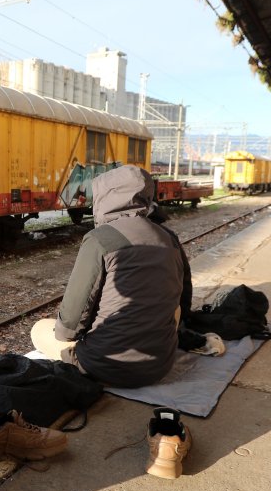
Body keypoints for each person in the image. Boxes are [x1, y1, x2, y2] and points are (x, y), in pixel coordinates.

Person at [31, 164, 222, 389]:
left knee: (40, 328)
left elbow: (70, 325)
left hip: (105, 367)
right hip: (161, 365)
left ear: (104, 197)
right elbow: (183, 300)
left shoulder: (99, 239)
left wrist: (71, 335)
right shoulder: (169, 237)